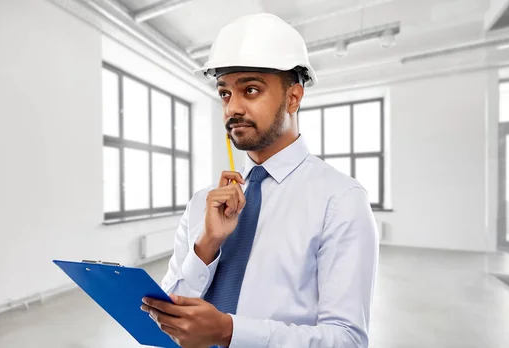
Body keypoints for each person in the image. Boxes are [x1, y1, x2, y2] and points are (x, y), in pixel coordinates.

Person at [140, 12, 379, 348]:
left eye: (250, 90)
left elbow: (347, 340)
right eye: (224, 93)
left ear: (293, 97)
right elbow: (169, 318)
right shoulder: (203, 203)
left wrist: (229, 331)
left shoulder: (340, 200)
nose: (232, 108)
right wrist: (207, 244)